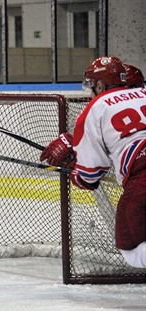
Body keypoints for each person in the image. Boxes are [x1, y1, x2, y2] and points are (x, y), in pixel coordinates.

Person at [39, 56, 146, 268]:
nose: (90, 92)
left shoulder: (96, 107)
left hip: (142, 178)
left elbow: (89, 178)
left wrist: (73, 169)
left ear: (99, 84)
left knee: (131, 247)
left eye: (91, 86)